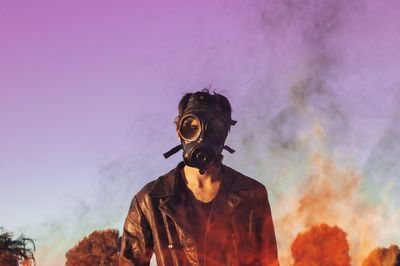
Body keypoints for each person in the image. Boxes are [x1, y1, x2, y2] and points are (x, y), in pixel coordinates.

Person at [120, 89, 279, 266]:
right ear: (179, 132)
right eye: (192, 128)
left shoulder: (252, 195)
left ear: (225, 133)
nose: (202, 137)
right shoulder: (148, 201)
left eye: (213, 129)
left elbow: (268, 262)